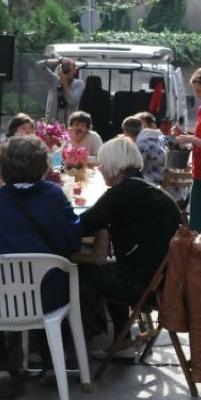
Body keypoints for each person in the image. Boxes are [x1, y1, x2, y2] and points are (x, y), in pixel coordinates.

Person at [0, 134, 82, 393]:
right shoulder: (53, 196)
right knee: (50, 280)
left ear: (3, 167)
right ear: (42, 165)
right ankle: (50, 363)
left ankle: (0, 366)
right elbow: (73, 239)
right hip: (46, 294)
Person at [79, 137, 182, 337]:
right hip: (164, 278)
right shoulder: (140, 186)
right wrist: (104, 229)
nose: (100, 169)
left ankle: (91, 334)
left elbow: (82, 226)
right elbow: (97, 220)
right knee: (108, 264)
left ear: (115, 166)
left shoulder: (121, 194)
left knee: (79, 271)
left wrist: (101, 228)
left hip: (143, 284)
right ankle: (121, 338)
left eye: (103, 164)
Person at [172, 67, 201, 232]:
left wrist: (189, 138)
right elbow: (199, 140)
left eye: (199, 91)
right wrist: (183, 134)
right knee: (195, 221)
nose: (198, 95)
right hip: (198, 171)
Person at [40, 56, 85, 123]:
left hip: (68, 125)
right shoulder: (54, 79)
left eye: (69, 67)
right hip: (51, 124)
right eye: (64, 67)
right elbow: (39, 65)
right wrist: (59, 61)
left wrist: (64, 81)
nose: (66, 69)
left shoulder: (79, 84)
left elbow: (71, 101)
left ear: (74, 70)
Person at [133, 111, 166, 187]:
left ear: (152, 125)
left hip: (153, 186)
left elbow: (132, 166)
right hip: (175, 190)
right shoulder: (165, 139)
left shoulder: (143, 144)